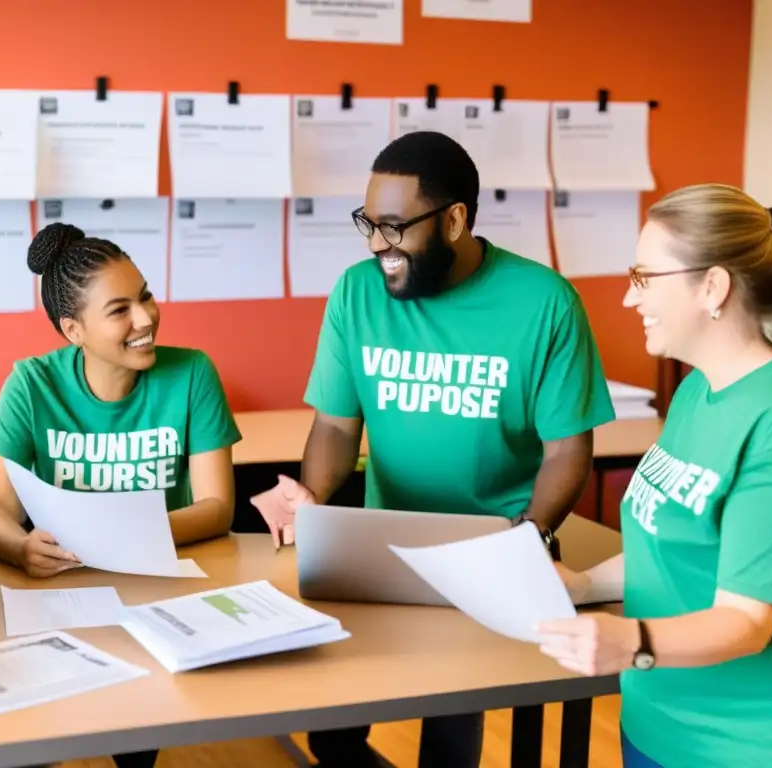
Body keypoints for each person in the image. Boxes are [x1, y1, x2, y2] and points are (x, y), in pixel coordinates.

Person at [251, 130, 616, 767]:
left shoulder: (546, 303)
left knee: (452, 719)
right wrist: (314, 497)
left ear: (454, 220)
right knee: (339, 716)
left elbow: (566, 452)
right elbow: (337, 428)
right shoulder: (357, 292)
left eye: (395, 228)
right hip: (382, 540)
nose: (376, 245)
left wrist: (526, 538)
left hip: (492, 543)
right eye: (368, 223)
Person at [539, 184, 772, 768]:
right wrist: (585, 587)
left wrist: (631, 640)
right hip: (654, 717)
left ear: (712, 287)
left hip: (743, 741)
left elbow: (747, 622)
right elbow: (670, 541)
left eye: (645, 277)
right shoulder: (697, 389)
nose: (627, 298)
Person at [0, 223, 242, 768]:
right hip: (66, 592)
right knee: (47, 728)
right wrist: (21, 547)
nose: (145, 318)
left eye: (144, 295)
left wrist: (117, 541)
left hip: (161, 588)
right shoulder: (31, 383)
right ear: (73, 330)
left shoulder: (192, 373)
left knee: (139, 732)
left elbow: (217, 508)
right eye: (120, 310)